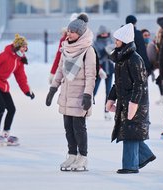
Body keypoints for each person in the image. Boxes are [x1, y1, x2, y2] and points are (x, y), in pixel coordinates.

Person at [45, 13, 96, 171]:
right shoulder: (65, 48)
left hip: (80, 96)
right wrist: (53, 89)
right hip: (66, 95)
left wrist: (87, 95)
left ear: (80, 34)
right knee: (68, 128)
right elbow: (60, 70)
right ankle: (72, 155)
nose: (69, 34)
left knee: (79, 128)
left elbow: (90, 75)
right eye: (68, 31)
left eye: (72, 32)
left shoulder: (88, 51)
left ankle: (83, 157)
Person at [106, 23, 155, 174]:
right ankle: (145, 155)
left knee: (130, 132)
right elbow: (118, 83)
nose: (115, 42)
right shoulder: (121, 59)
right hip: (124, 101)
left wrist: (134, 103)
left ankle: (130, 166)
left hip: (135, 102)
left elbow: (140, 84)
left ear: (125, 40)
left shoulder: (134, 59)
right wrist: (111, 99)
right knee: (130, 131)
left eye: (117, 40)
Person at [49, 13, 78, 84]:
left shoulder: (84, 39)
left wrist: (98, 69)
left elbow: (90, 56)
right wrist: (52, 72)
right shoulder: (64, 40)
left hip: (80, 74)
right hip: (67, 72)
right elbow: (58, 56)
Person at [93, 25, 115, 120]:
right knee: (94, 91)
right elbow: (95, 57)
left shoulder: (111, 41)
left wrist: (111, 53)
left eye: (106, 33)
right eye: (102, 33)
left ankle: (107, 111)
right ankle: (86, 109)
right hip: (100, 70)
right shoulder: (95, 43)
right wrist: (104, 51)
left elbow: (114, 55)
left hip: (109, 69)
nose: (104, 34)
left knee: (109, 91)